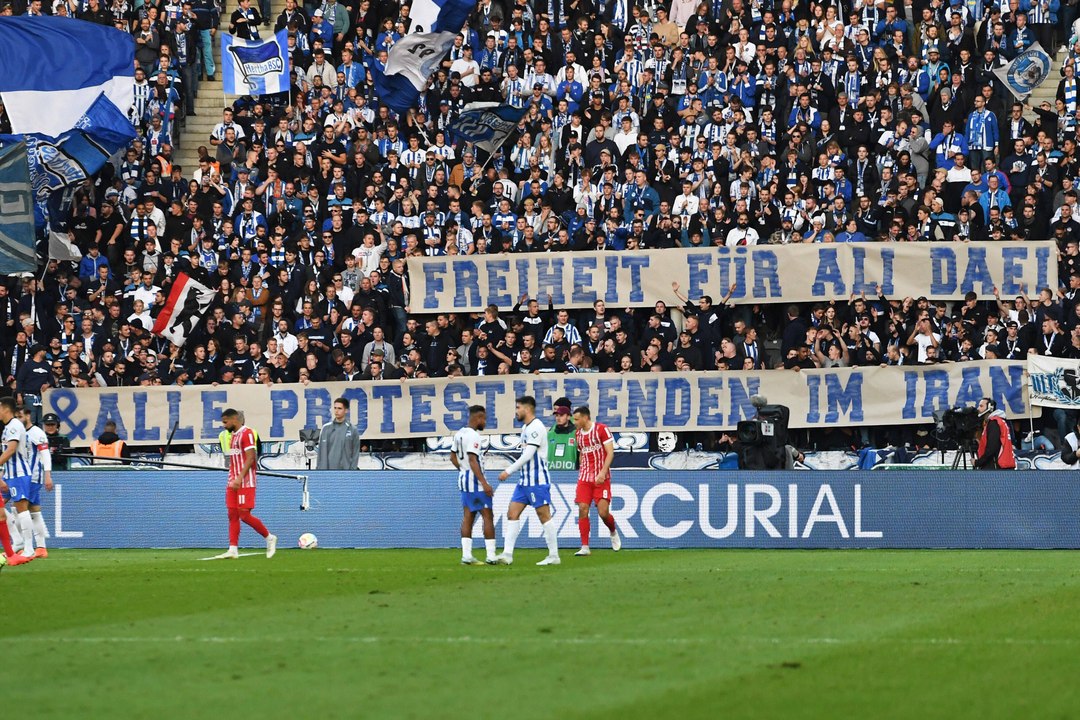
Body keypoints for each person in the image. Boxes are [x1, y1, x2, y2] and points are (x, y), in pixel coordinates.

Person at [495, 396, 560, 566]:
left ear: (527, 409)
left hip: (537, 480)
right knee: (512, 513)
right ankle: (507, 554)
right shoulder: (525, 427)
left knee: (543, 515)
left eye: (518, 407)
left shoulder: (536, 427)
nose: (516, 411)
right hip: (524, 481)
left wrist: (508, 470)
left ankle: (554, 556)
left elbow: (528, 454)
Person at [212, 408, 277, 559]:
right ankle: (233, 549)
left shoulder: (247, 433)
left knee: (244, 515)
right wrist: (233, 478)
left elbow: (251, 457)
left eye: (225, 422)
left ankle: (269, 537)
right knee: (232, 514)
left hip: (245, 482)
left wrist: (240, 478)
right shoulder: (233, 436)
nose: (224, 425)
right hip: (233, 481)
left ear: (235, 419)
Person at [571, 406, 621, 557]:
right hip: (585, 479)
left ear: (585, 418)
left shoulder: (601, 429)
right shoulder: (578, 434)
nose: (575, 422)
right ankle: (585, 546)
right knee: (582, 509)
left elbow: (610, 452)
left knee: (603, 512)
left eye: (577, 419)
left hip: (601, 478)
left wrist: (603, 472)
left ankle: (613, 531)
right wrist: (581, 470)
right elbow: (581, 453)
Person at [449, 405, 496, 565]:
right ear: (477, 418)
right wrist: (484, 483)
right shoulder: (474, 436)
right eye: (483, 418)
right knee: (487, 515)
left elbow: (452, 457)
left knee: (468, 516)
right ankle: (491, 556)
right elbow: (472, 459)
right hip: (475, 483)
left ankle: (466, 555)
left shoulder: (459, 434)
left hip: (463, 480)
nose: (485, 421)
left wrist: (463, 470)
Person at [0, 397, 34, 566]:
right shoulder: (7, 427)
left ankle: (29, 548)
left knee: (21, 508)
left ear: (5, 408)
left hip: (19, 474)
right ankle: (17, 540)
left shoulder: (14, 426)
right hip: (8, 474)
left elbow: (11, 450)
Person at [15, 407, 51, 558]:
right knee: (34, 511)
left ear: (28, 415)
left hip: (32, 477)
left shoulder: (37, 433)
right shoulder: (18, 432)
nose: (18, 419)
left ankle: (26, 545)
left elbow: (45, 454)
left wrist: (47, 475)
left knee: (19, 510)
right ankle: (40, 547)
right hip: (20, 476)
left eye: (20, 416)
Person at [316, 397, 362, 470]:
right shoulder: (326, 428)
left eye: (339, 408)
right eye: (335, 408)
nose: (336, 411)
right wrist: (320, 471)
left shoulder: (353, 430)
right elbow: (321, 453)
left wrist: (352, 471)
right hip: (328, 473)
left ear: (346, 410)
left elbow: (355, 453)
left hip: (346, 473)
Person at [974, 398, 1016, 470]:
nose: (978, 408)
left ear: (990, 407)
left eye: (981, 406)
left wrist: (978, 462)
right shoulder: (999, 421)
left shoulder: (994, 423)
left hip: (997, 466)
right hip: (1002, 464)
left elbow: (991, 449)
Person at [547, 398, 578, 471]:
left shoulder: (577, 432)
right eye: (556, 415)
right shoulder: (550, 433)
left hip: (571, 475)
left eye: (561, 415)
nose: (558, 418)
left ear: (568, 416)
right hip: (552, 473)